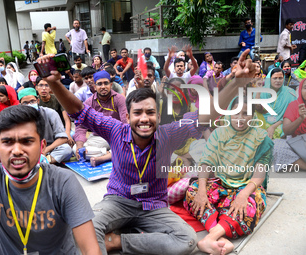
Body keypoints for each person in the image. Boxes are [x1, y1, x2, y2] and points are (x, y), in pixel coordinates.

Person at [38, 48, 257, 255]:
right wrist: (55, 84)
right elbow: (80, 112)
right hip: (118, 201)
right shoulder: (115, 130)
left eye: (150, 112)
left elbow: (206, 116)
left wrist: (238, 83)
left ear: (158, 117)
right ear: (128, 117)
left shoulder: (168, 135)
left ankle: (116, 241)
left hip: (154, 206)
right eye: (138, 113)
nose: (144, 119)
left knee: (188, 241)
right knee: (86, 230)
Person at [0, 104, 101, 254]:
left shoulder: (62, 181)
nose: (16, 151)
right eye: (8, 142)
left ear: (42, 145)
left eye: (27, 141)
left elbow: (90, 249)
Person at [184, 96, 273, 255]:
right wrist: (202, 191)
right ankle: (220, 237)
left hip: (247, 185)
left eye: (245, 113)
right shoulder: (218, 134)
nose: (240, 118)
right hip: (221, 182)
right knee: (193, 192)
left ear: (252, 116)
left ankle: (209, 238)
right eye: (236, 113)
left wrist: (244, 195)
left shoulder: (261, 138)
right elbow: (206, 162)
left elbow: (260, 173)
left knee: (250, 207)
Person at [74, 70, 127, 166]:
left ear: (111, 85)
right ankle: (110, 153)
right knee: (75, 149)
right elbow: (80, 126)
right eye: (99, 84)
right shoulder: (89, 102)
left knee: (127, 144)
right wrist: (79, 146)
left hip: (116, 135)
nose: (103, 87)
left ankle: (106, 155)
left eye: (106, 83)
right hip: (98, 137)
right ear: (94, 86)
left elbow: (125, 122)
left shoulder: (119, 99)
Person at [18, 88, 73, 164]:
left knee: (66, 149)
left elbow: (63, 138)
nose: (29, 104)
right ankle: (41, 161)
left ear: (38, 101)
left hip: (51, 148)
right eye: (25, 103)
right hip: (31, 149)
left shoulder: (50, 113)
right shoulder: (18, 118)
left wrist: (45, 150)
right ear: (20, 105)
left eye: (32, 101)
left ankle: (42, 162)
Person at [274, 78, 306, 171]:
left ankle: (294, 164)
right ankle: (303, 165)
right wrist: (300, 118)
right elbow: (286, 130)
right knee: (277, 145)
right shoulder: (293, 105)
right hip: (298, 146)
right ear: (300, 90)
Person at [255, 68, 297, 139]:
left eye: (280, 78)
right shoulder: (261, 91)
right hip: (262, 121)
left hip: (280, 123)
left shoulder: (290, 93)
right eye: (275, 78)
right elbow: (257, 109)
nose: (278, 81)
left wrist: (273, 126)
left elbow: (291, 116)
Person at [35, 78, 74, 147]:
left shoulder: (59, 98)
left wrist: (67, 133)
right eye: (41, 85)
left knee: (72, 135)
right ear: (36, 88)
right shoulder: (35, 101)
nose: (44, 88)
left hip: (60, 128)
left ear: (50, 88)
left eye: (47, 85)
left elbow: (66, 119)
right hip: (45, 130)